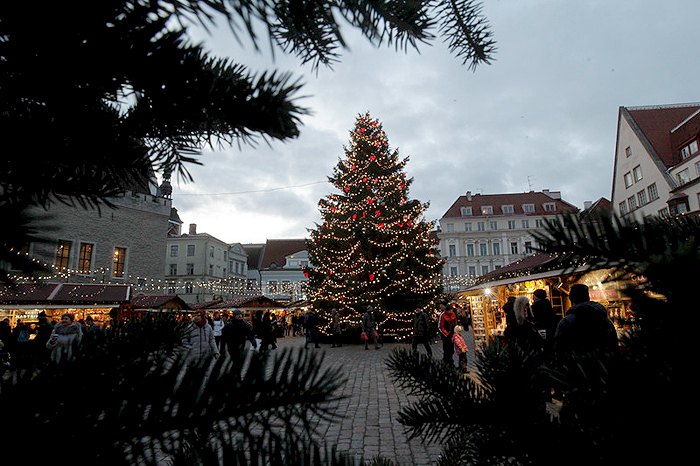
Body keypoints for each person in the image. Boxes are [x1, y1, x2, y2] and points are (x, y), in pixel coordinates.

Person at [554, 283, 618, 358]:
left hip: (578, 365)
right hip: (603, 363)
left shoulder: (567, 322)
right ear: (588, 297)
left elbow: (559, 348)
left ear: (571, 299)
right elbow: (613, 342)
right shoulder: (603, 318)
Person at [531, 289, 557, 358]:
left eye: (533, 296)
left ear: (536, 297)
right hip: (550, 333)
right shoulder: (549, 307)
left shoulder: (534, 308)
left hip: (538, 333)